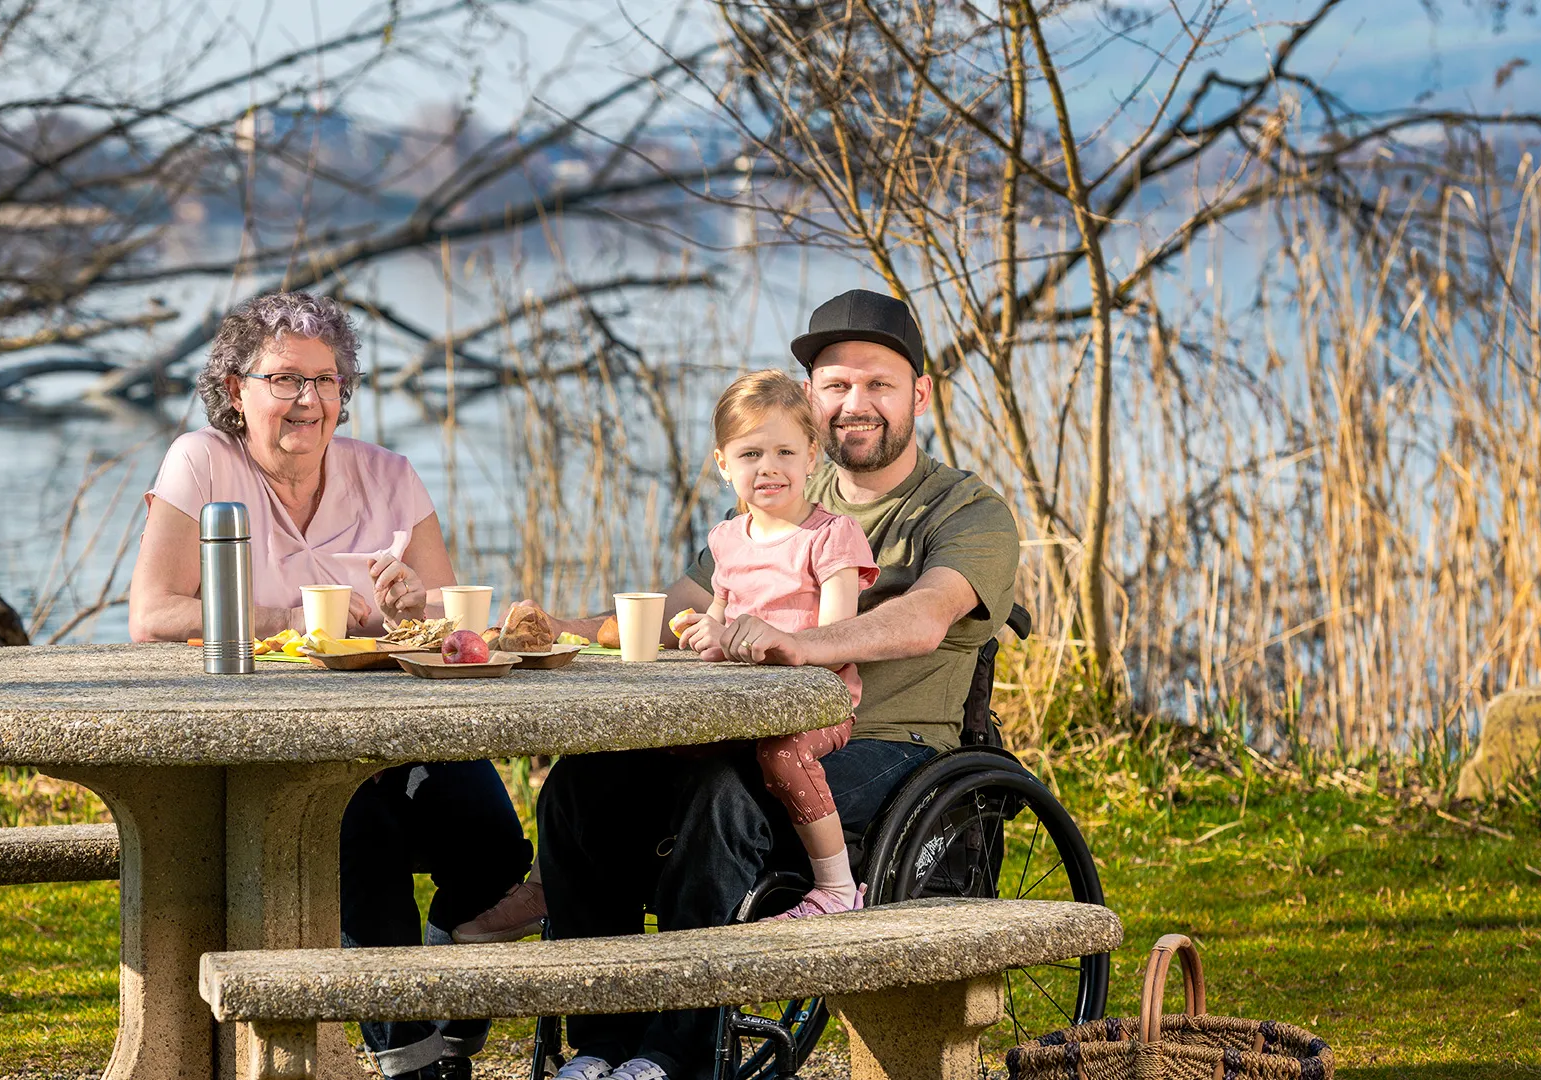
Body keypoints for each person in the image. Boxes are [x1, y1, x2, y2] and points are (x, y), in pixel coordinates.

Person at [528, 289, 1022, 1080]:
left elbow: (926, 618)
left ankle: (675, 1057)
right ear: (810, 402)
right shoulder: (774, 494)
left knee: (724, 795)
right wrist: (547, 630)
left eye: (878, 384)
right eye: (835, 385)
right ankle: (602, 1046)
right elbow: (672, 615)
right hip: (739, 733)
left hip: (889, 748)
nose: (855, 403)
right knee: (581, 788)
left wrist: (801, 643)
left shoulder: (965, 509)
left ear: (919, 395)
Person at [126, 292, 532, 1080]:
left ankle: (450, 993)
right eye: (283, 379)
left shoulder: (390, 476)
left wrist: (419, 604)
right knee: (359, 834)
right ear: (235, 390)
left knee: (492, 842)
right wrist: (296, 616)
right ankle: (411, 1061)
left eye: (326, 379)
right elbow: (153, 613)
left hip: (403, 731)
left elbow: (453, 623)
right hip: (270, 748)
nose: (306, 400)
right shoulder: (201, 462)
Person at [673, 370, 878, 920]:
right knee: (662, 751)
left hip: (818, 707)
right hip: (743, 705)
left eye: (785, 451)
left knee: (780, 752)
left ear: (812, 456)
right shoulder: (726, 540)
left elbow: (833, 644)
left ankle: (837, 887)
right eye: (749, 454)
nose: (768, 467)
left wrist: (766, 642)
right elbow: (720, 619)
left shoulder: (830, 537)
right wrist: (704, 632)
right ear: (723, 464)